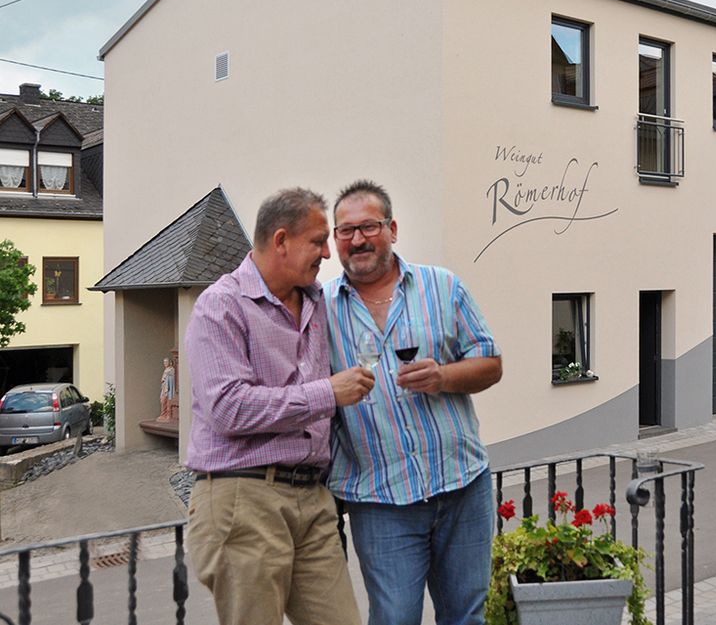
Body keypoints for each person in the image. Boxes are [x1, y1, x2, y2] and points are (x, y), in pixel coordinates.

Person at [185, 187, 373, 625]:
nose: (328, 253)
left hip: (312, 498)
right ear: (281, 240)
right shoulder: (220, 306)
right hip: (243, 495)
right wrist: (328, 392)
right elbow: (228, 409)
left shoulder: (319, 303)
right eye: (318, 240)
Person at [323, 179, 503, 625]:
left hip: (462, 486)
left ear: (393, 229)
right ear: (335, 240)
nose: (358, 239)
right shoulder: (319, 309)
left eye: (369, 226)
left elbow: (491, 364)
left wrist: (443, 376)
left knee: (466, 617)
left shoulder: (442, 286)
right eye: (346, 231)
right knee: (395, 618)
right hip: (380, 500)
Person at [156, 356, 175, 421]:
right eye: (164, 362)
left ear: (169, 362)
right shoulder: (166, 370)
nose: (165, 363)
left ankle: (168, 415)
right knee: (162, 401)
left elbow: (170, 379)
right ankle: (163, 414)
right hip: (164, 387)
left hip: (168, 388)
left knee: (167, 401)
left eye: (166, 362)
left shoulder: (171, 369)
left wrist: (165, 381)